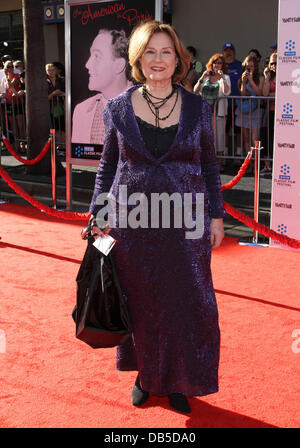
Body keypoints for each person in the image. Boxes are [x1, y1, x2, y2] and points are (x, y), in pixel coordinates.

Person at [88, 20, 224, 414]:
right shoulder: (117, 108)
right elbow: (107, 166)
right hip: (133, 223)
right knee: (142, 301)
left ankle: (180, 378)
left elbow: (211, 166)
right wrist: (98, 213)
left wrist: (216, 216)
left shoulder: (198, 107)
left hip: (187, 223)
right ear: (137, 59)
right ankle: (145, 376)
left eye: (166, 52)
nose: (158, 59)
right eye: (150, 52)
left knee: (186, 302)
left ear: (178, 58)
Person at [72, 29, 132, 145]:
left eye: (97, 56)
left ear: (118, 65)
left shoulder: (143, 107)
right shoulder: (81, 111)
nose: (87, 64)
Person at [194, 53, 231, 171]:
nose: (217, 65)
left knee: (219, 136)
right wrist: (202, 78)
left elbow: (226, 92)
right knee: (205, 136)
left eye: (220, 63)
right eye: (215, 62)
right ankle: (206, 162)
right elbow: (195, 91)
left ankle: (219, 162)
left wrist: (223, 78)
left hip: (218, 112)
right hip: (205, 112)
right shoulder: (206, 76)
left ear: (223, 65)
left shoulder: (226, 77)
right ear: (211, 64)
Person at [235, 55, 264, 155]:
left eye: (251, 66)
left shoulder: (260, 78)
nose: (249, 68)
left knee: (254, 138)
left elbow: (260, 93)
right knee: (246, 138)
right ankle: (249, 163)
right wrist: (243, 82)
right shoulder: (241, 79)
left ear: (255, 67)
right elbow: (242, 95)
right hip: (244, 110)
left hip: (256, 112)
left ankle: (256, 162)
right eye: (247, 66)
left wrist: (251, 80)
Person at [222, 43, 242, 160]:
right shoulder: (221, 66)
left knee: (238, 130)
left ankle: (238, 156)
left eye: (230, 50)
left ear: (234, 52)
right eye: (226, 51)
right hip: (224, 104)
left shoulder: (239, 65)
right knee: (225, 130)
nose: (228, 53)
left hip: (238, 104)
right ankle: (224, 155)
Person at [0, 60, 25, 151]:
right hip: (8, 103)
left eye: (11, 67)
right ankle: (17, 144)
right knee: (13, 125)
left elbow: (11, 85)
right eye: (7, 67)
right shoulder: (3, 78)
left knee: (20, 125)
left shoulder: (16, 76)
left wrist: (7, 77)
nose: (9, 69)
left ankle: (23, 144)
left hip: (18, 103)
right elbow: (2, 90)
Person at [261, 52, 277, 174]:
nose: (273, 65)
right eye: (271, 63)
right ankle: (267, 165)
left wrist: (273, 95)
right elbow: (265, 94)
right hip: (270, 111)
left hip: (285, 113)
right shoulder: (269, 77)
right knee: (267, 137)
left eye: (276, 63)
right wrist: (266, 78)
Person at [46, 63, 65, 144]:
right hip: (50, 107)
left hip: (61, 107)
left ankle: (63, 145)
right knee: (54, 127)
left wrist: (60, 92)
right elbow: (45, 97)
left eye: (53, 70)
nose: (51, 72)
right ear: (46, 71)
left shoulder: (61, 80)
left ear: (56, 71)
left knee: (63, 127)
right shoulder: (45, 82)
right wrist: (54, 93)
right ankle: (58, 145)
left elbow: (65, 91)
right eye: (49, 70)